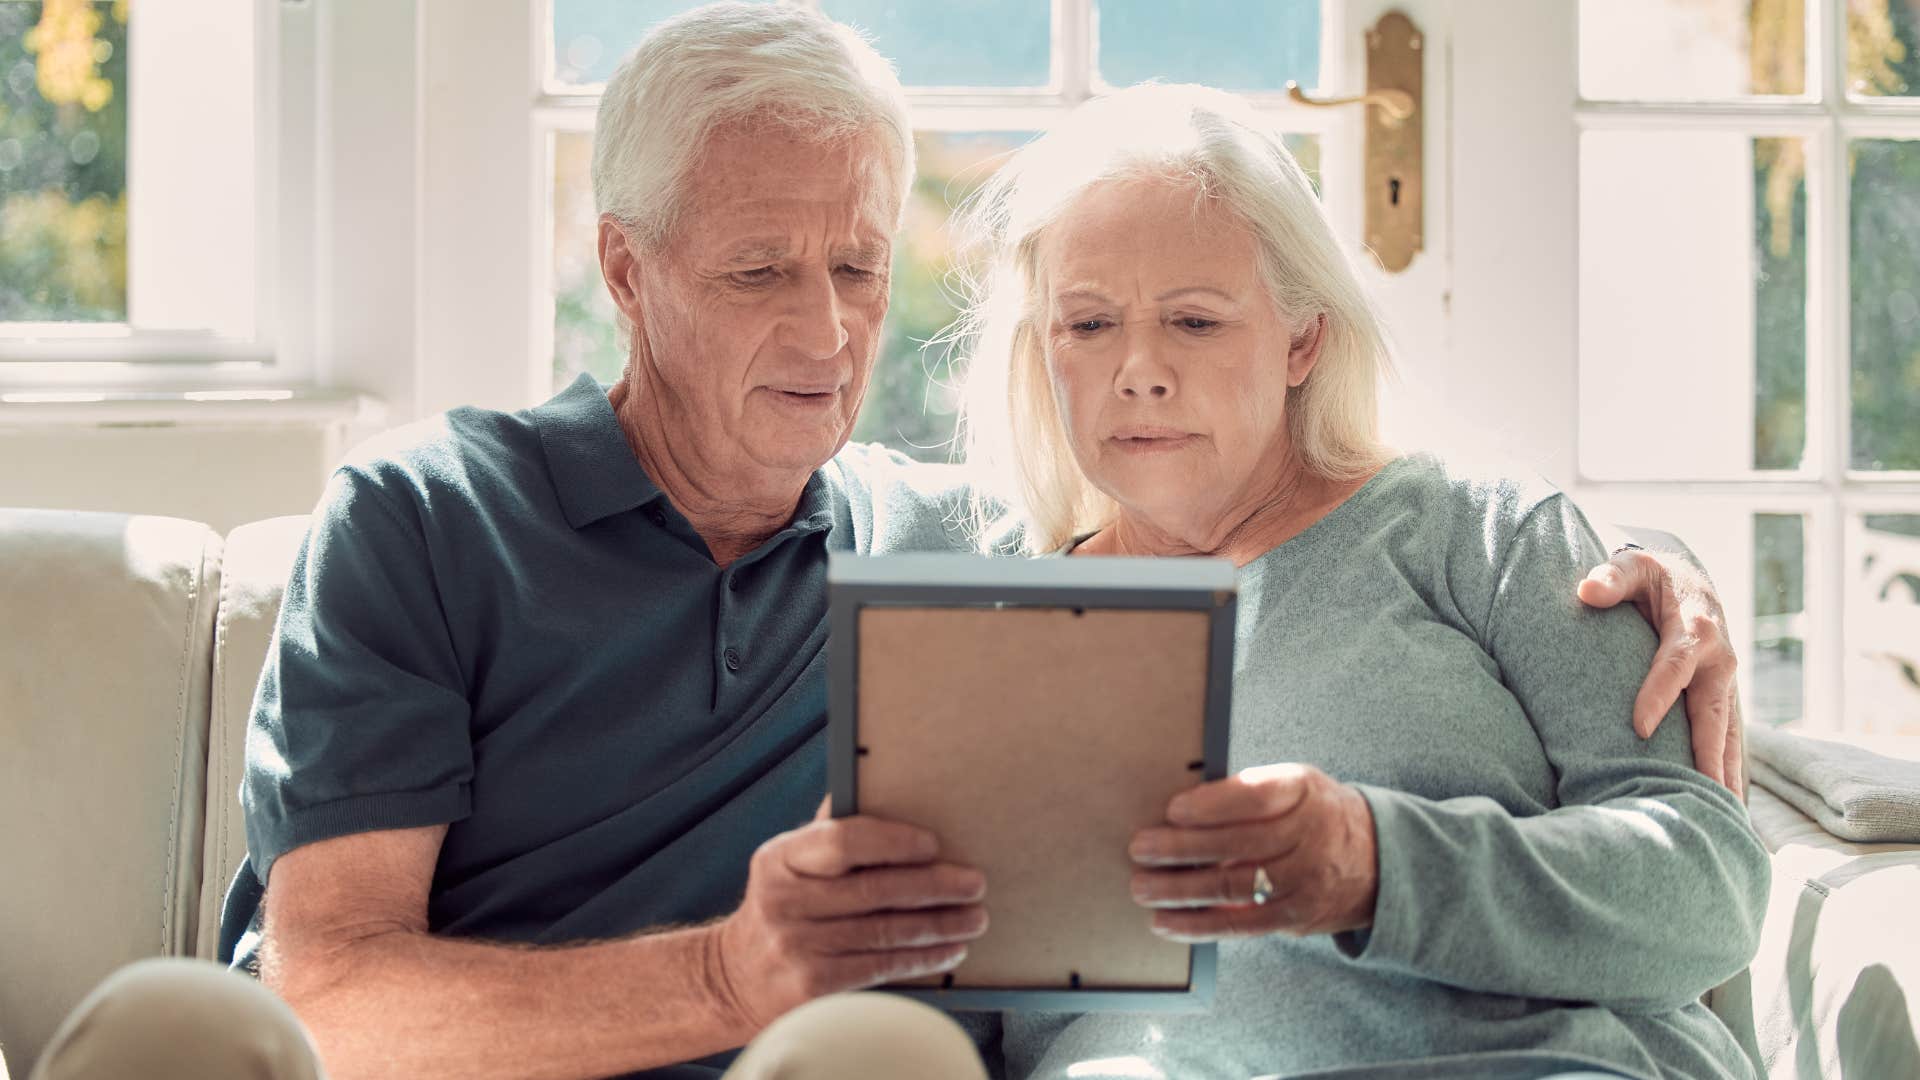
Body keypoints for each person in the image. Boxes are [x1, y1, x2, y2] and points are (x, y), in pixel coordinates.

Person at [20, 6, 1739, 1079]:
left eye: (859, 269)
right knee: (189, 1037)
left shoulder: (941, 546)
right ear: (625, 273)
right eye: (762, 272)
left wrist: (1636, 575)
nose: (830, 334)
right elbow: (328, 999)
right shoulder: (434, 518)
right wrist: (725, 968)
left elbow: (1241, 503)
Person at [943, 82, 1769, 1079]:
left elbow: (1707, 889)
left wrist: (1379, 868)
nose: (1141, 371)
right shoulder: (993, 625)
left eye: (1196, 322)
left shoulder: (1484, 531)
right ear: (1044, 347)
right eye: (1088, 325)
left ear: (1303, 339)